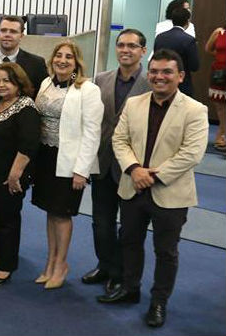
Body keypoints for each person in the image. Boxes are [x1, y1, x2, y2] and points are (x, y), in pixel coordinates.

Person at [99, 49, 208, 329]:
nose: (160, 77)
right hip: (132, 185)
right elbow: (119, 141)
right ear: (149, 74)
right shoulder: (134, 103)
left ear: (180, 76)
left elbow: (191, 153)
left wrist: (153, 177)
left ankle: (159, 301)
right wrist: (135, 170)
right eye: (155, 72)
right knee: (130, 241)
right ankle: (129, 288)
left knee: (166, 251)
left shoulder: (195, 110)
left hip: (170, 192)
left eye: (167, 72)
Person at [82, 29, 150, 293]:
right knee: (101, 222)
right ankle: (105, 265)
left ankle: (122, 274)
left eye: (132, 46)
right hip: (102, 162)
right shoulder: (101, 79)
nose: (125, 50)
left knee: (130, 228)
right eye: (121, 45)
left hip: (134, 167)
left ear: (143, 51)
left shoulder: (150, 81)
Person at [32, 41, 103, 289]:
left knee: (62, 214)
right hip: (45, 157)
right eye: (58, 56)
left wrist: (81, 170)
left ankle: (61, 264)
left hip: (70, 162)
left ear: (77, 62)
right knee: (50, 212)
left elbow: (93, 133)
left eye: (68, 58)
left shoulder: (87, 89)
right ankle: (50, 262)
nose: (62, 60)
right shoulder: (46, 83)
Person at [0, 62, 41, 286]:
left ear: (18, 82)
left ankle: (7, 266)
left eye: (7, 80)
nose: (1, 84)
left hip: (11, 175)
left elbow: (28, 145)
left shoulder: (26, 107)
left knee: (7, 219)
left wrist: (15, 174)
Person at [0, 15, 48, 99]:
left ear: (21, 36)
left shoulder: (36, 64)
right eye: (3, 30)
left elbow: (41, 96)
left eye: (13, 32)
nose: (7, 34)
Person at [153, 7, 199, 97]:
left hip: (161, 81)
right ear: (187, 21)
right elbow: (194, 66)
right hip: (182, 84)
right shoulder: (189, 40)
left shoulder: (160, 37)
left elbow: (156, 58)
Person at [204, 22, 226, 149]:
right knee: (220, 106)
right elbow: (208, 48)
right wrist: (220, 57)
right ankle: (220, 134)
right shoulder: (219, 32)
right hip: (219, 72)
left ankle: (221, 135)